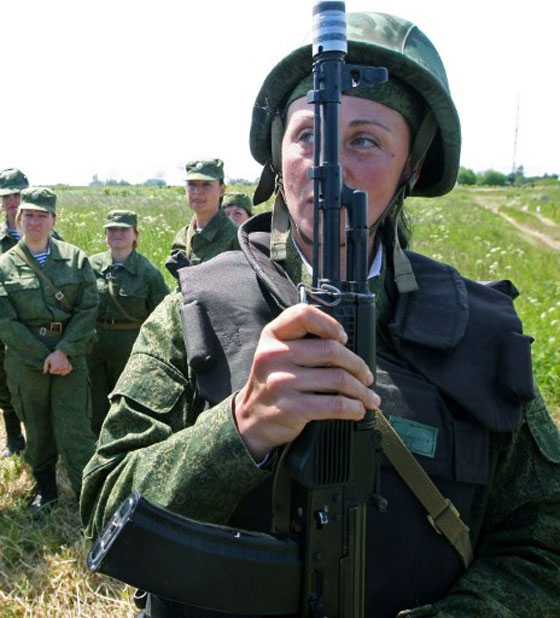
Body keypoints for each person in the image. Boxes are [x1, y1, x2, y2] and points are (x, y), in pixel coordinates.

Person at [81, 11, 560, 618]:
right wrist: (239, 429)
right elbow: (104, 516)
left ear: (412, 166)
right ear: (278, 154)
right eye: (307, 135)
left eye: (365, 140)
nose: (326, 167)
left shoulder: (481, 333)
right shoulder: (194, 312)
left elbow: (544, 546)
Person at [0, 187, 98, 514]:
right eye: (29, 215)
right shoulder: (4, 265)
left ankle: (89, 499)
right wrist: (43, 356)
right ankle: (46, 492)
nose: (35, 222)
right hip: (27, 362)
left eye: (42, 215)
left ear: (54, 219)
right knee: (37, 428)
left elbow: (88, 308)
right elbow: (5, 321)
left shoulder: (75, 258)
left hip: (70, 359)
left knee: (76, 430)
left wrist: (65, 351)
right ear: (18, 218)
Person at [87, 210, 169, 435]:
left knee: (126, 396)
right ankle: (97, 441)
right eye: (112, 229)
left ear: (135, 235)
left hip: (130, 344)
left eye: (124, 229)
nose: (117, 234)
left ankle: (124, 441)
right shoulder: (90, 266)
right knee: (95, 397)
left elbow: (161, 314)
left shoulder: (147, 272)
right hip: (95, 345)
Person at [165, 158, 239, 278]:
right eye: (192, 184)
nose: (197, 191)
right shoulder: (183, 236)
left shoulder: (235, 236)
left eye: (206, 185)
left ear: (222, 190)